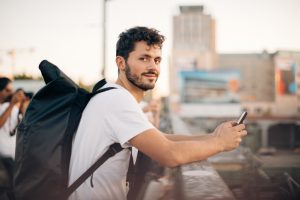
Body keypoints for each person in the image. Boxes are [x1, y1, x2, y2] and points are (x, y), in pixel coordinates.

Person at [68, 26, 247, 200]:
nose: (153, 67)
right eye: (144, 58)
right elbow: (169, 154)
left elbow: (162, 138)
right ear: (121, 63)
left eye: (157, 60)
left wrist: (212, 136)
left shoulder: (111, 95)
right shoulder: (117, 100)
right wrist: (220, 143)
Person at [0, 77, 29, 193]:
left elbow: (23, 127)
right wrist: (12, 105)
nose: (11, 93)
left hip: (16, 156)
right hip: (4, 158)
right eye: (7, 90)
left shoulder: (12, 108)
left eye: (11, 90)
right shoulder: (8, 107)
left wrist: (23, 108)